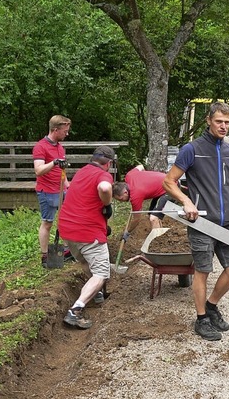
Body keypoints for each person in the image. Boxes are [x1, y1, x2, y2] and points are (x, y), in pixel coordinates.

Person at [163, 102, 229, 342]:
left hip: (228, 222)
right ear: (209, 120)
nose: (223, 126)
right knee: (203, 271)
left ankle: (212, 306)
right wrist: (186, 201)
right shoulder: (192, 149)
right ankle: (201, 319)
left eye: (227, 122)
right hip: (202, 222)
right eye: (219, 121)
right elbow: (168, 182)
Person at [59, 146, 116, 329]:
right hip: (88, 232)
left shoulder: (82, 171)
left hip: (67, 229)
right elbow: (105, 187)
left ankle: (96, 293)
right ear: (108, 163)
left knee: (86, 261)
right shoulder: (103, 175)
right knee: (101, 272)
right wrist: (107, 203)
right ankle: (75, 310)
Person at [32, 115, 71, 267]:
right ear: (55, 130)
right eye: (64, 131)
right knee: (47, 223)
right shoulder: (40, 146)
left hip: (61, 189)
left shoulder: (60, 147)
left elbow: (62, 171)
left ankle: (66, 250)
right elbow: (38, 170)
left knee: (65, 219)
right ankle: (45, 256)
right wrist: (54, 162)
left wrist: (68, 186)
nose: (66, 134)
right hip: (46, 191)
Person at [113, 165, 169, 239]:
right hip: (163, 185)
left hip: (170, 187)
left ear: (125, 192)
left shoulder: (135, 195)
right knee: (151, 214)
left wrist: (127, 232)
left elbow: (137, 219)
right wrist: (146, 180)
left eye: (121, 199)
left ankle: (157, 243)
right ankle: (161, 235)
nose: (121, 201)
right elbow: (141, 166)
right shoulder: (129, 176)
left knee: (153, 217)